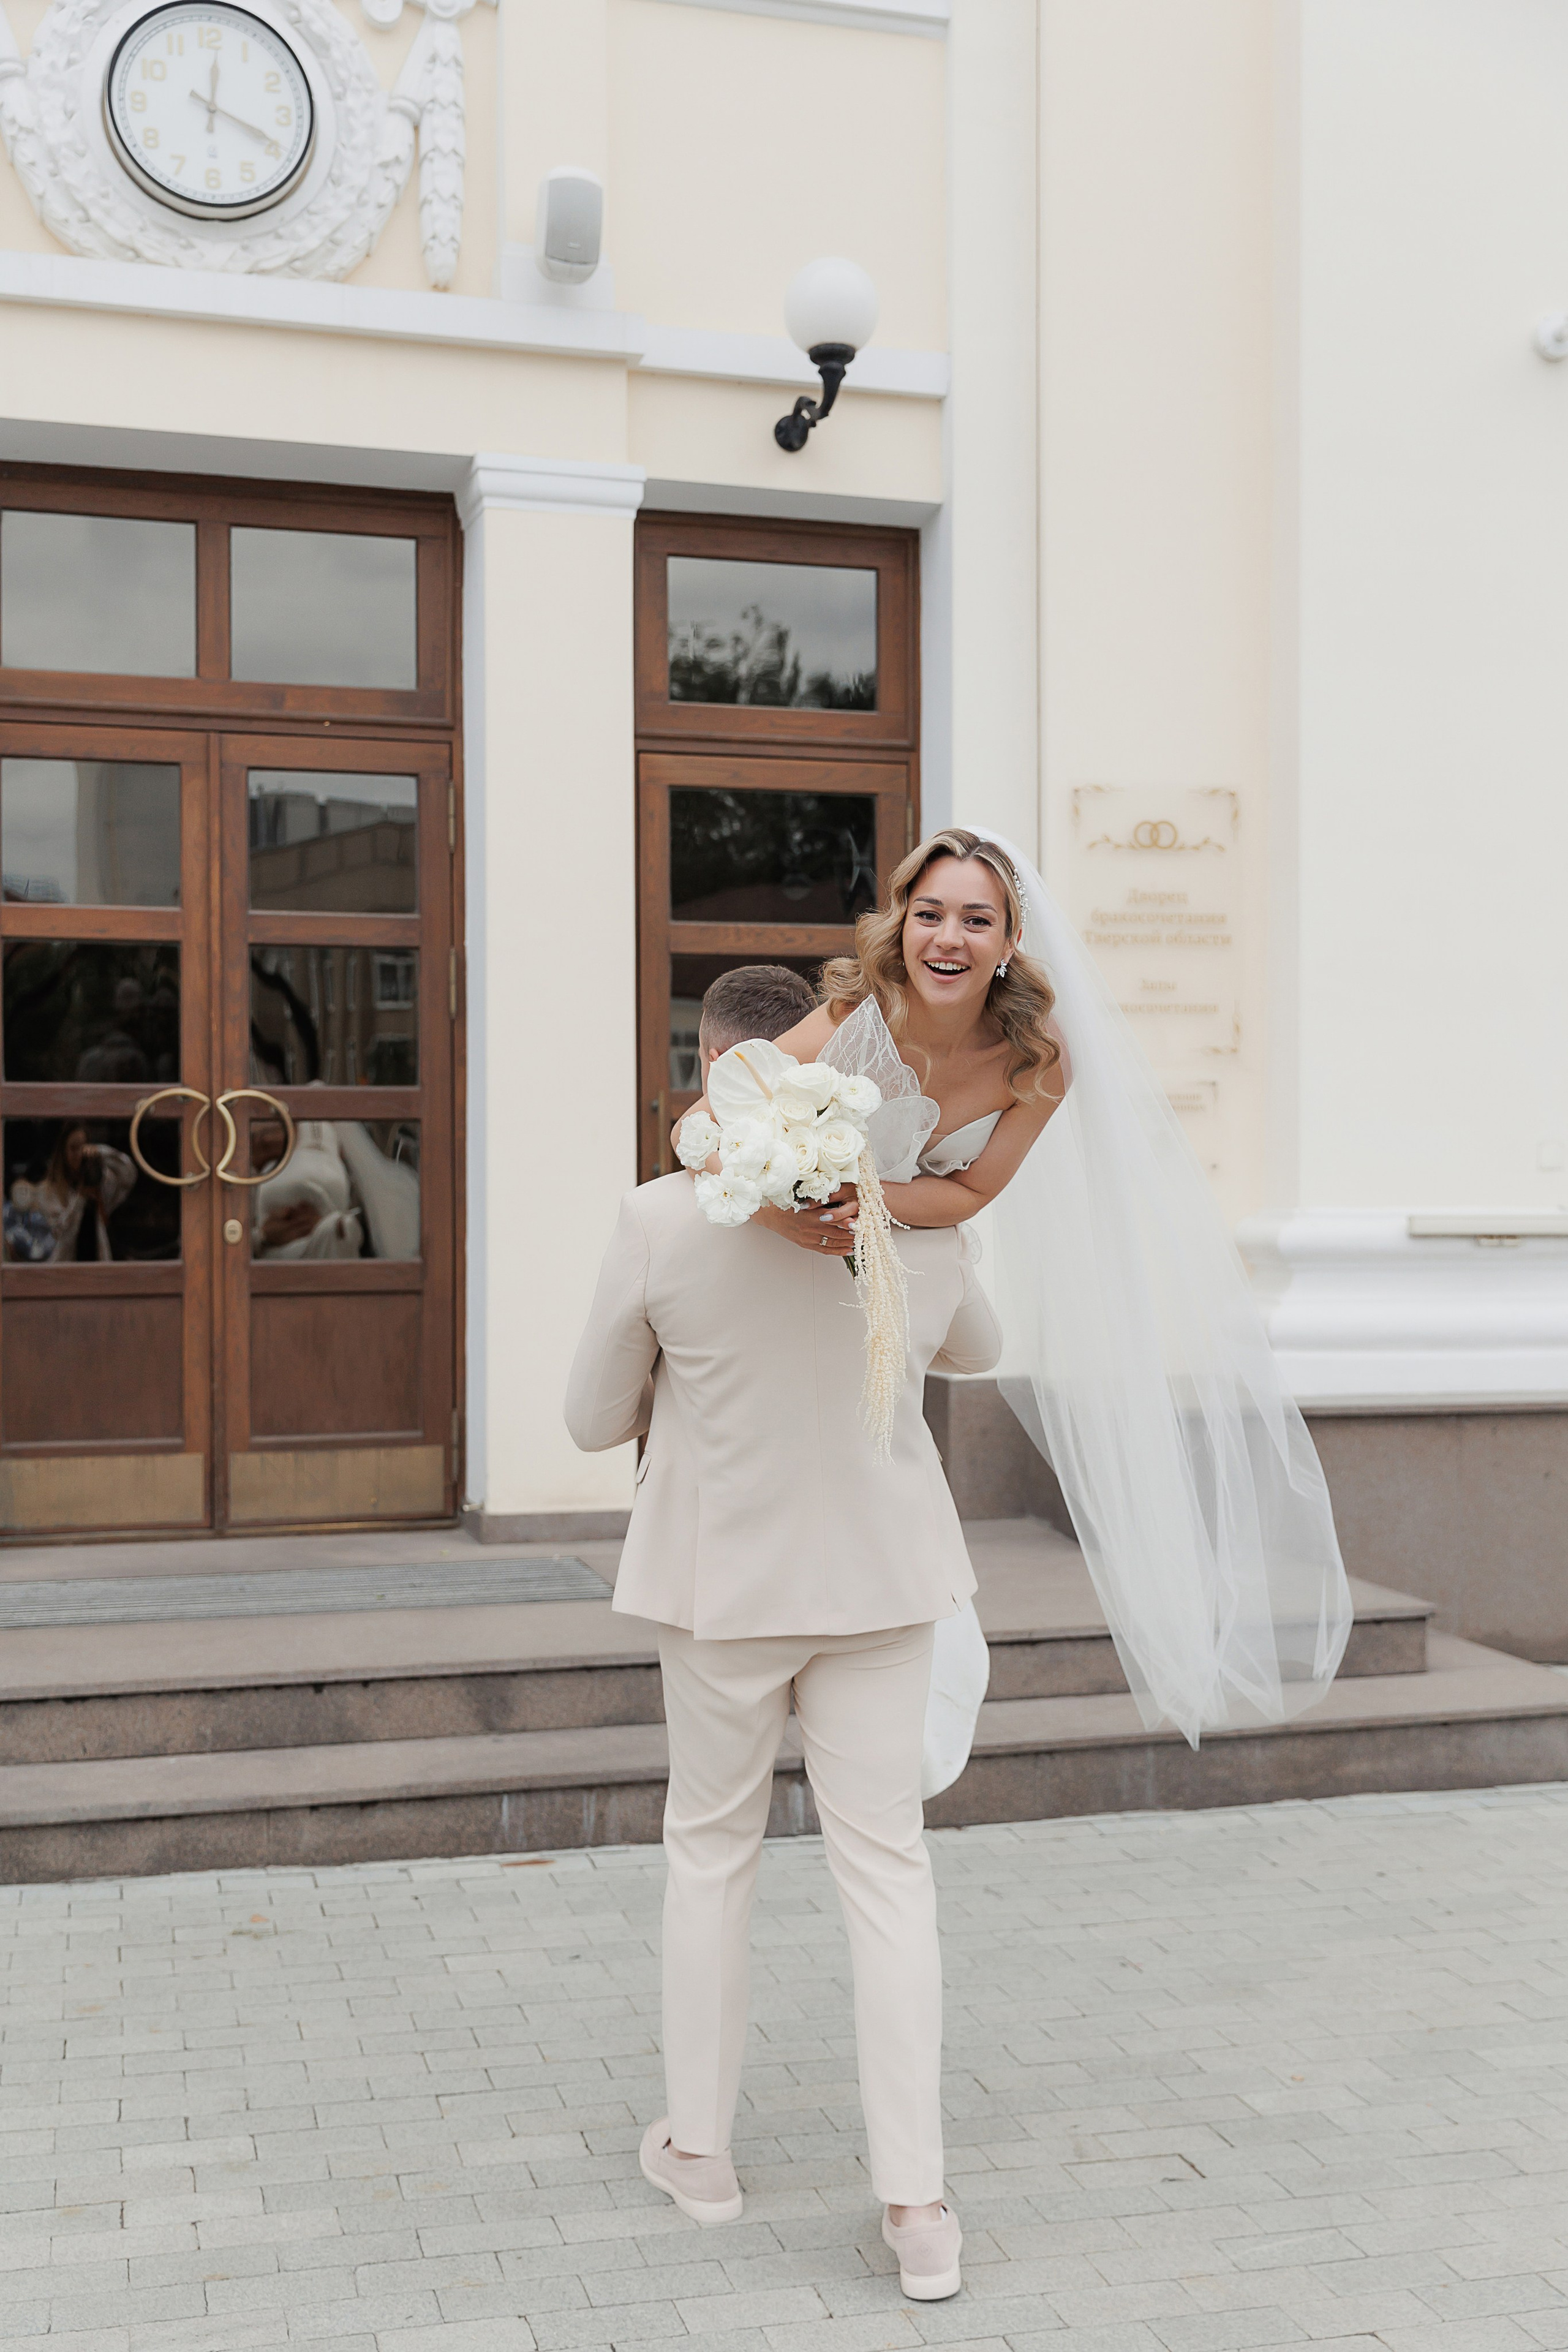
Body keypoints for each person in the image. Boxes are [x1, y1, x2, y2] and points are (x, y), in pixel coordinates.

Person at [566, 960, 1000, 2301]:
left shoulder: (659, 1218)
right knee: (889, 1874)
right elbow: (977, 1348)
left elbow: (588, 1420)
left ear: (719, 1070)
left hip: (724, 1588)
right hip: (879, 1582)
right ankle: (917, 2208)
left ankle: (699, 2154)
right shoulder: (914, 1214)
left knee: (710, 1854)